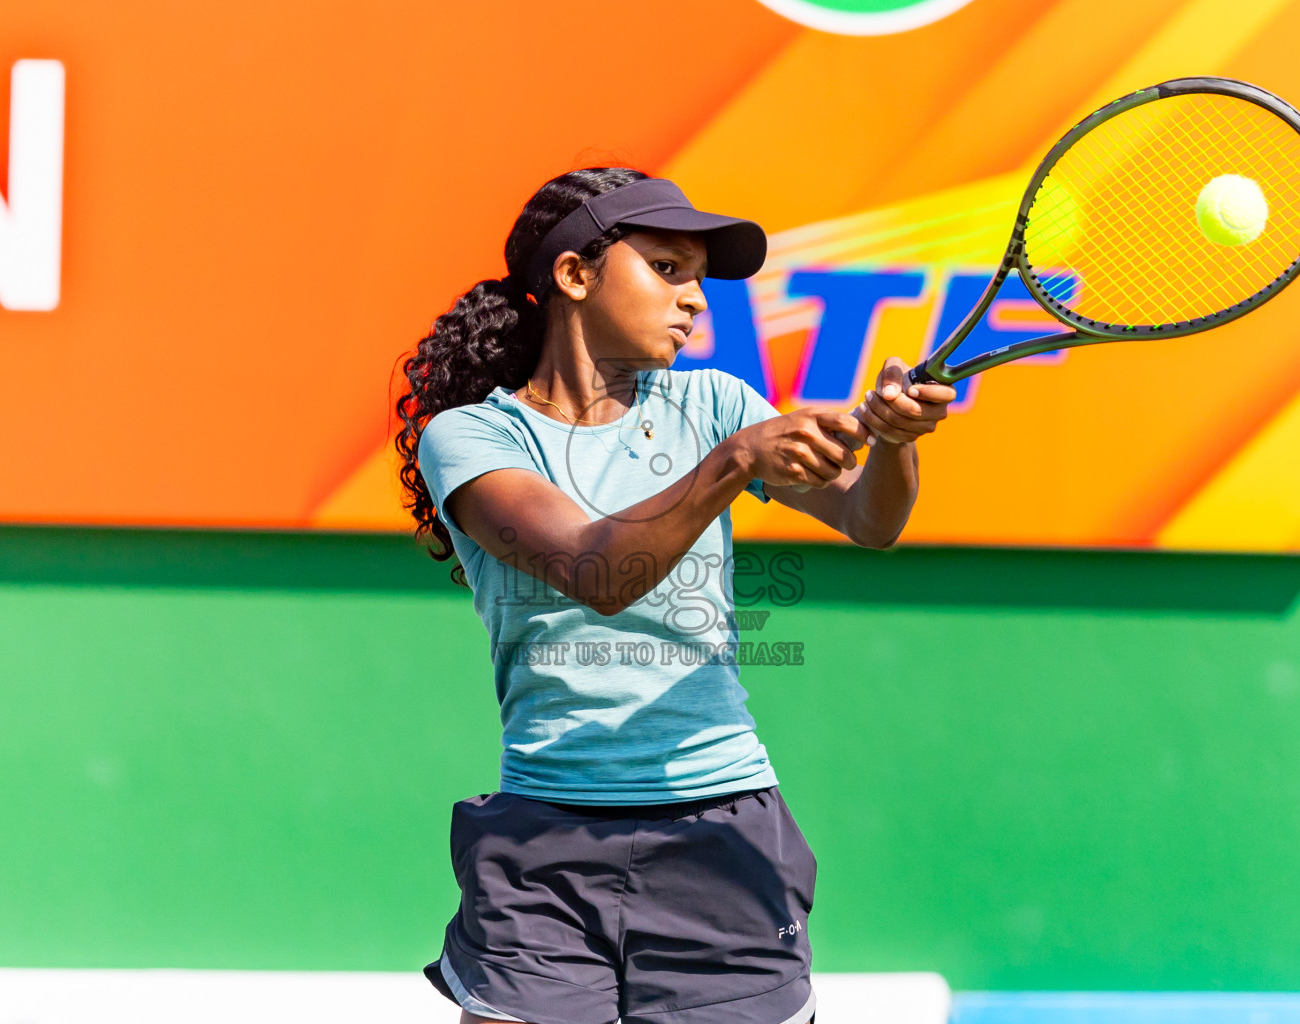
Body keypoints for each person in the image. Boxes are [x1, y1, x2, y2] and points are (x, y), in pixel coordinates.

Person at [394, 167, 955, 1024]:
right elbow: (598, 573)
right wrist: (736, 462)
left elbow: (870, 521)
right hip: (544, 845)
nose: (694, 299)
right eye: (666, 269)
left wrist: (894, 444)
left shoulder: (718, 401)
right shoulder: (472, 437)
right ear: (575, 277)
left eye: (697, 277)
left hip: (722, 832)